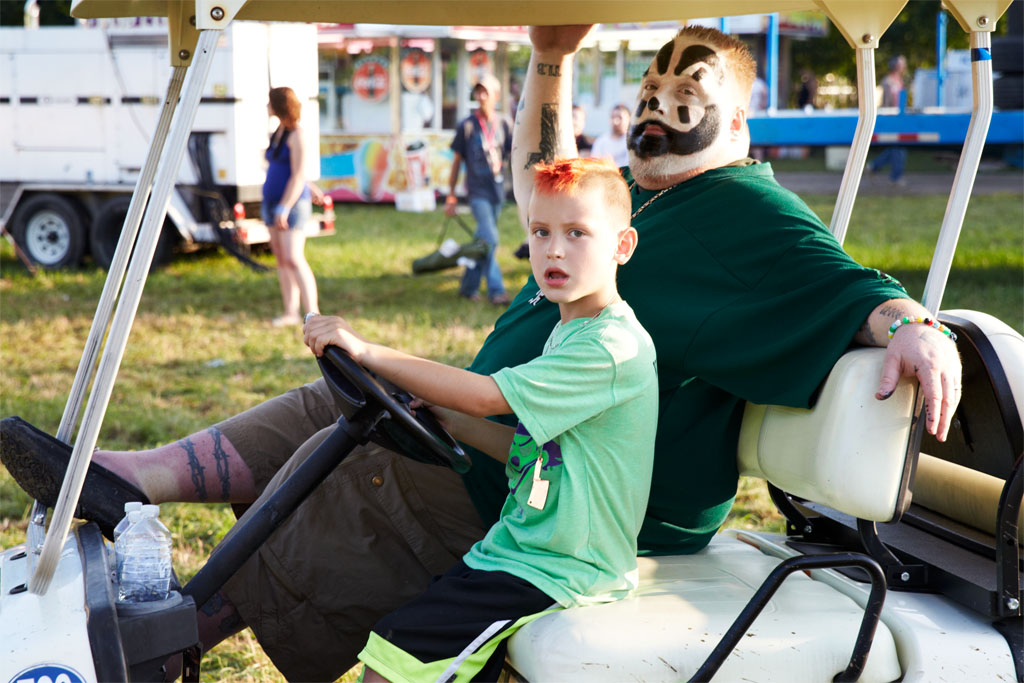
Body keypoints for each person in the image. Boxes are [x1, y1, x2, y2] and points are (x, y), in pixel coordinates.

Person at [0, 25, 962, 683]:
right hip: (527, 447)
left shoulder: (742, 205)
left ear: (740, 125)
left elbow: (842, 279)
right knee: (320, 413)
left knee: (347, 485)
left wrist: (914, 325)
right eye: (652, 89)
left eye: (690, 92)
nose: (662, 104)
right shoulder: (641, 199)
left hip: (573, 499)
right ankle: (126, 480)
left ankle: (165, 639)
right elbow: (543, 176)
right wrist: (549, 61)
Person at [304, 157, 656, 682]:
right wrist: (449, 421)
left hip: (565, 567)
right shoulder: (572, 333)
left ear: (621, 247)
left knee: (390, 663)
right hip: (523, 548)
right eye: (541, 232)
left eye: (577, 233)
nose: (554, 249)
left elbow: (484, 395)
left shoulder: (609, 346)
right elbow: (543, 454)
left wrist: (366, 349)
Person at [444, 73, 512, 305]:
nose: (481, 96)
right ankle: (497, 291)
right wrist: (451, 194)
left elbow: (516, 153)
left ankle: (468, 286)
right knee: (490, 239)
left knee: (482, 241)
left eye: (486, 92)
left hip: (497, 191)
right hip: (476, 192)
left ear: (496, 96)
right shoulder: (468, 125)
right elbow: (456, 162)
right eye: (478, 91)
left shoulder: (504, 123)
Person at [262, 86, 319, 327]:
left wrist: (284, 207)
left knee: (295, 257)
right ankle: (290, 312)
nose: (267, 106)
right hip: (272, 201)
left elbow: (297, 175)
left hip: (291, 205)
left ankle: (313, 313)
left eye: (270, 102)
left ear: (278, 105)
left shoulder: (298, 135)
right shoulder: (280, 131)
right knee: (282, 259)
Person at [869, 55, 909, 186]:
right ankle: (895, 177)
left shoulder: (899, 80)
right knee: (898, 147)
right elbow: (886, 101)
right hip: (892, 117)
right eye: (901, 64)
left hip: (899, 117)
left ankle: (874, 166)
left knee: (895, 147)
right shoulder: (888, 81)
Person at [590, 103, 630, 167]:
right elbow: (594, 164)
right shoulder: (601, 141)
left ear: (629, 119)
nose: (615, 121)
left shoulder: (633, 142)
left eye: (620, 117)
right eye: (612, 117)